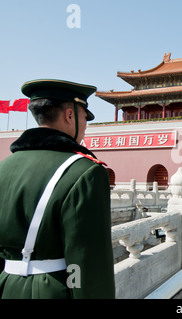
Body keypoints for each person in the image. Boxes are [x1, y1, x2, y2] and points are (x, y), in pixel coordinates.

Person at [0, 79, 115, 298]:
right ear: (69, 116)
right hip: (52, 290)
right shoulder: (84, 172)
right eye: (84, 117)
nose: (85, 125)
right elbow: (87, 263)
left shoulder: (4, 167)